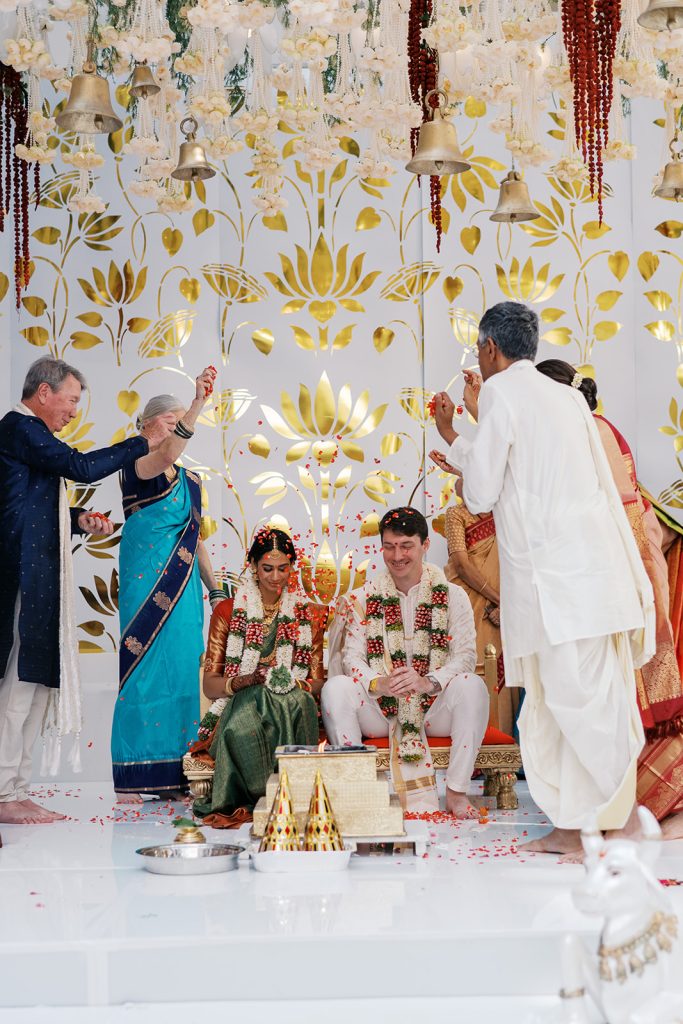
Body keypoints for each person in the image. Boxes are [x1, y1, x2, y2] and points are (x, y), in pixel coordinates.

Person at [433, 301, 654, 854]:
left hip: (556, 588)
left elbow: (482, 491)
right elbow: (525, 474)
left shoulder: (504, 393)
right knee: (581, 702)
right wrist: (462, 438)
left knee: (571, 704)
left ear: (490, 348)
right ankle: (575, 828)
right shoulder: (565, 396)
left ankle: (620, 822)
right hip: (594, 579)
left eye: (479, 350)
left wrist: (453, 433)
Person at [0, 356, 170, 826]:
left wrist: (78, 521)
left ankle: (16, 789)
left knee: (35, 687)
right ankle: (3, 792)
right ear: (44, 393)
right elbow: (80, 467)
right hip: (22, 577)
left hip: (40, 576)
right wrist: (144, 441)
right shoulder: (19, 427)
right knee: (18, 689)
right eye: (71, 400)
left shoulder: (33, 437)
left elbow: (28, 506)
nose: (74, 411)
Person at [535, 359, 683, 840]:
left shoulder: (595, 431)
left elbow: (629, 517)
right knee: (594, 702)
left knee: (621, 701)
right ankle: (597, 819)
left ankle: (646, 815)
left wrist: (640, 593)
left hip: (617, 580)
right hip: (591, 585)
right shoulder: (571, 434)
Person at [322, 506, 489, 818]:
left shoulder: (453, 596)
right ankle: (358, 789)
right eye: (389, 546)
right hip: (380, 708)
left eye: (406, 546)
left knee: (472, 686)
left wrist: (428, 682)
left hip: (434, 707)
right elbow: (352, 657)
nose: (397, 556)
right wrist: (379, 683)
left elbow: (465, 657)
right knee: (337, 688)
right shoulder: (364, 597)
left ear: (425, 545)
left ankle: (456, 792)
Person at [111, 369, 220, 802]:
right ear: (146, 424)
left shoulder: (190, 481)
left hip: (185, 590)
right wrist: (197, 404)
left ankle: (177, 773)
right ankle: (134, 774)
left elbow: (197, 539)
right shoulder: (137, 465)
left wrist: (216, 590)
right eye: (171, 422)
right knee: (145, 673)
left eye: (181, 423)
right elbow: (165, 453)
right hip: (146, 584)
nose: (177, 430)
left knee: (184, 672)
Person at [192, 528, 323, 828]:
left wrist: (287, 682)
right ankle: (262, 794)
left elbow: (316, 681)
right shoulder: (228, 611)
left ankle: (293, 794)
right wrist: (245, 680)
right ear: (252, 566)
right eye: (267, 568)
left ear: (292, 567)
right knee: (249, 713)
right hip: (242, 701)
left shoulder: (306, 614)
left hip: (293, 699)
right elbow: (210, 685)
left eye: (282, 568)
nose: (275, 577)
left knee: (299, 700)